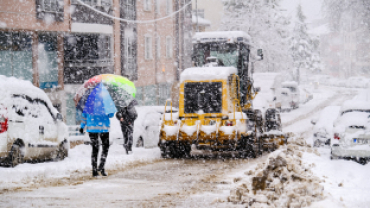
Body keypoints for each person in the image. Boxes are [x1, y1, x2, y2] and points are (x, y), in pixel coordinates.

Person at [80, 112, 114, 177]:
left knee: (95, 149)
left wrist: (82, 126)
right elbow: (111, 115)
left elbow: (84, 116)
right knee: (105, 148)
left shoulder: (89, 103)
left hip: (92, 128)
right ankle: (102, 166)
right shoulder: (105, 103)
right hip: (104, 128)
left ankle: (94, 171)